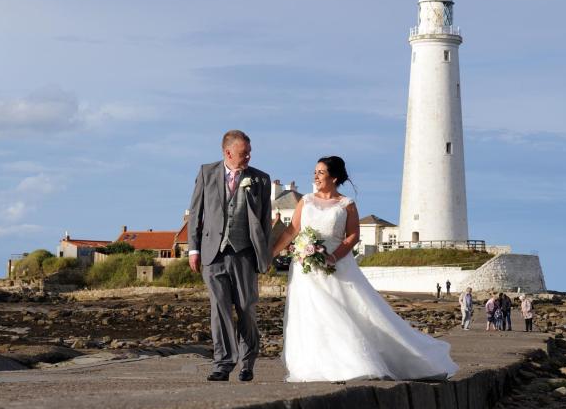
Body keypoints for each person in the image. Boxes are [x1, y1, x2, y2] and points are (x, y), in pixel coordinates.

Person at [272, 156, 458, 382]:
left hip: (336, 265)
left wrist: (333, 256)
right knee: (312, 314)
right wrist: (270, 254)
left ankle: (366, 363)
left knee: (357, 311)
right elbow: (291, 231)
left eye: (320, 172)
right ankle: (316, 364)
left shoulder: (346, 204)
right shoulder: (306, 201)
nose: (315, 176)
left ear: (334, 177)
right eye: (315, 172)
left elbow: (353, 236)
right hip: (305, 269)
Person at [187, 130, 272, 382]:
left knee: (246, 307)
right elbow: (196, 213)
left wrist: (264, 256)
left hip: (245, 253)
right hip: (212, 253)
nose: (248, 156)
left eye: (249, 152)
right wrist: (193, 249)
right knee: (219, 308)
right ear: (227, 152)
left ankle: (247, 362)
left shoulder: (260, 180)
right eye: (243, 152)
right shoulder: (206, 172)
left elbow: (266, 221)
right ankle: (222, 364)